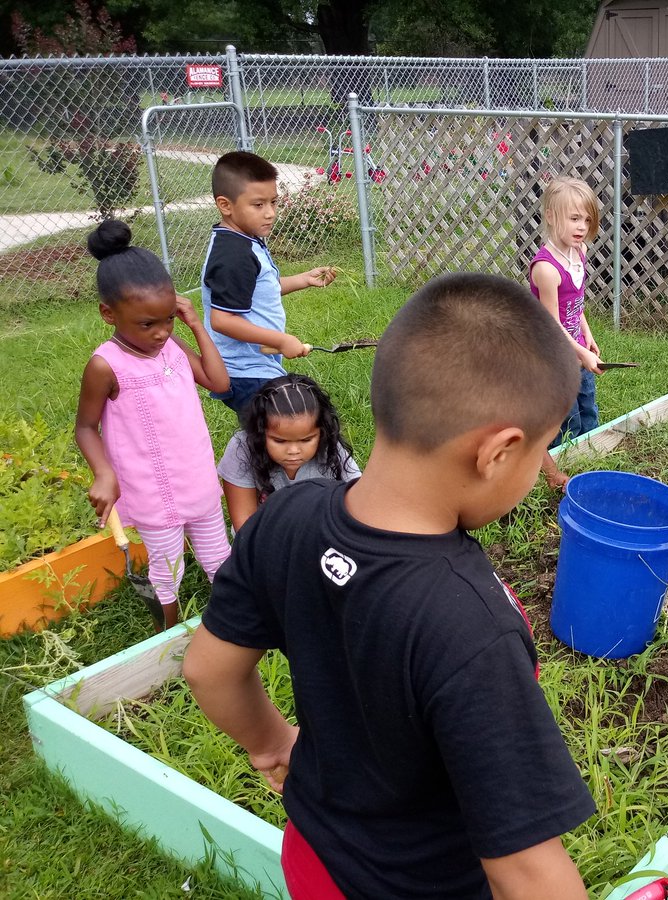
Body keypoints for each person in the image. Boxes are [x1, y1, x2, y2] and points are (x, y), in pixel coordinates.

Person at [183, 273, 596, 899]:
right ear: (499, 451)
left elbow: (209, 670)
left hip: (316, 859)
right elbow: (527, 871)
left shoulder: (285, 519)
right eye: (542, 451)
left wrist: (270, 744)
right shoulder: (473, 625)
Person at [75, 220, 231, 631]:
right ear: (109, 314)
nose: (162, 332)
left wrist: (196, 326)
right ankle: (168, 639)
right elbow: (86, 427)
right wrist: (104, 472)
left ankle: (235, 622)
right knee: (166, 573)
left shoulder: (173, 345)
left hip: (196, 477)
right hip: (151, 490)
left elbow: (219, 382)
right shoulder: (105, 365)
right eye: (148, 324)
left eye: (169, 319)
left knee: (220, 561)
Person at [200, 150, 336, 414]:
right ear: (225, 205)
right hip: (244, 371)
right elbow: (223, 320)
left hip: (255, 365)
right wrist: (281, 340)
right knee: (287, 431)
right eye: (258, 205)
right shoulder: (234, 256)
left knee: (274, 437)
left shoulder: (243, 240)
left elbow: (257, 291)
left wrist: (303, 279)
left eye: (274, 202)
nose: (270, 213)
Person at [529, 176, 604, 490]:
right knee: (568, 414)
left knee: (588, 403)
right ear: (550, 216)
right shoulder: (545, 269)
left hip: (576, 348)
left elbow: (576, 303)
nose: (582, 226)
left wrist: (587, 336)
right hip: (554, 354)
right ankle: (565, 473)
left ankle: (593, 456)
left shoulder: (580, 251)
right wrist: (579, 352)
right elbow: (552, 325)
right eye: (574, 218)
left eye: (586, 219)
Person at [217, 374, 361, 532]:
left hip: (320, 537)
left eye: (306, 440)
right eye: (279, 441)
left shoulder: (331, 447)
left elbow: (359, 502)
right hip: (261, 540)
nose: (293, 451)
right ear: (259, 432)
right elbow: (244, 524)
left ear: (322, 432)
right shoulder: (242, 448)